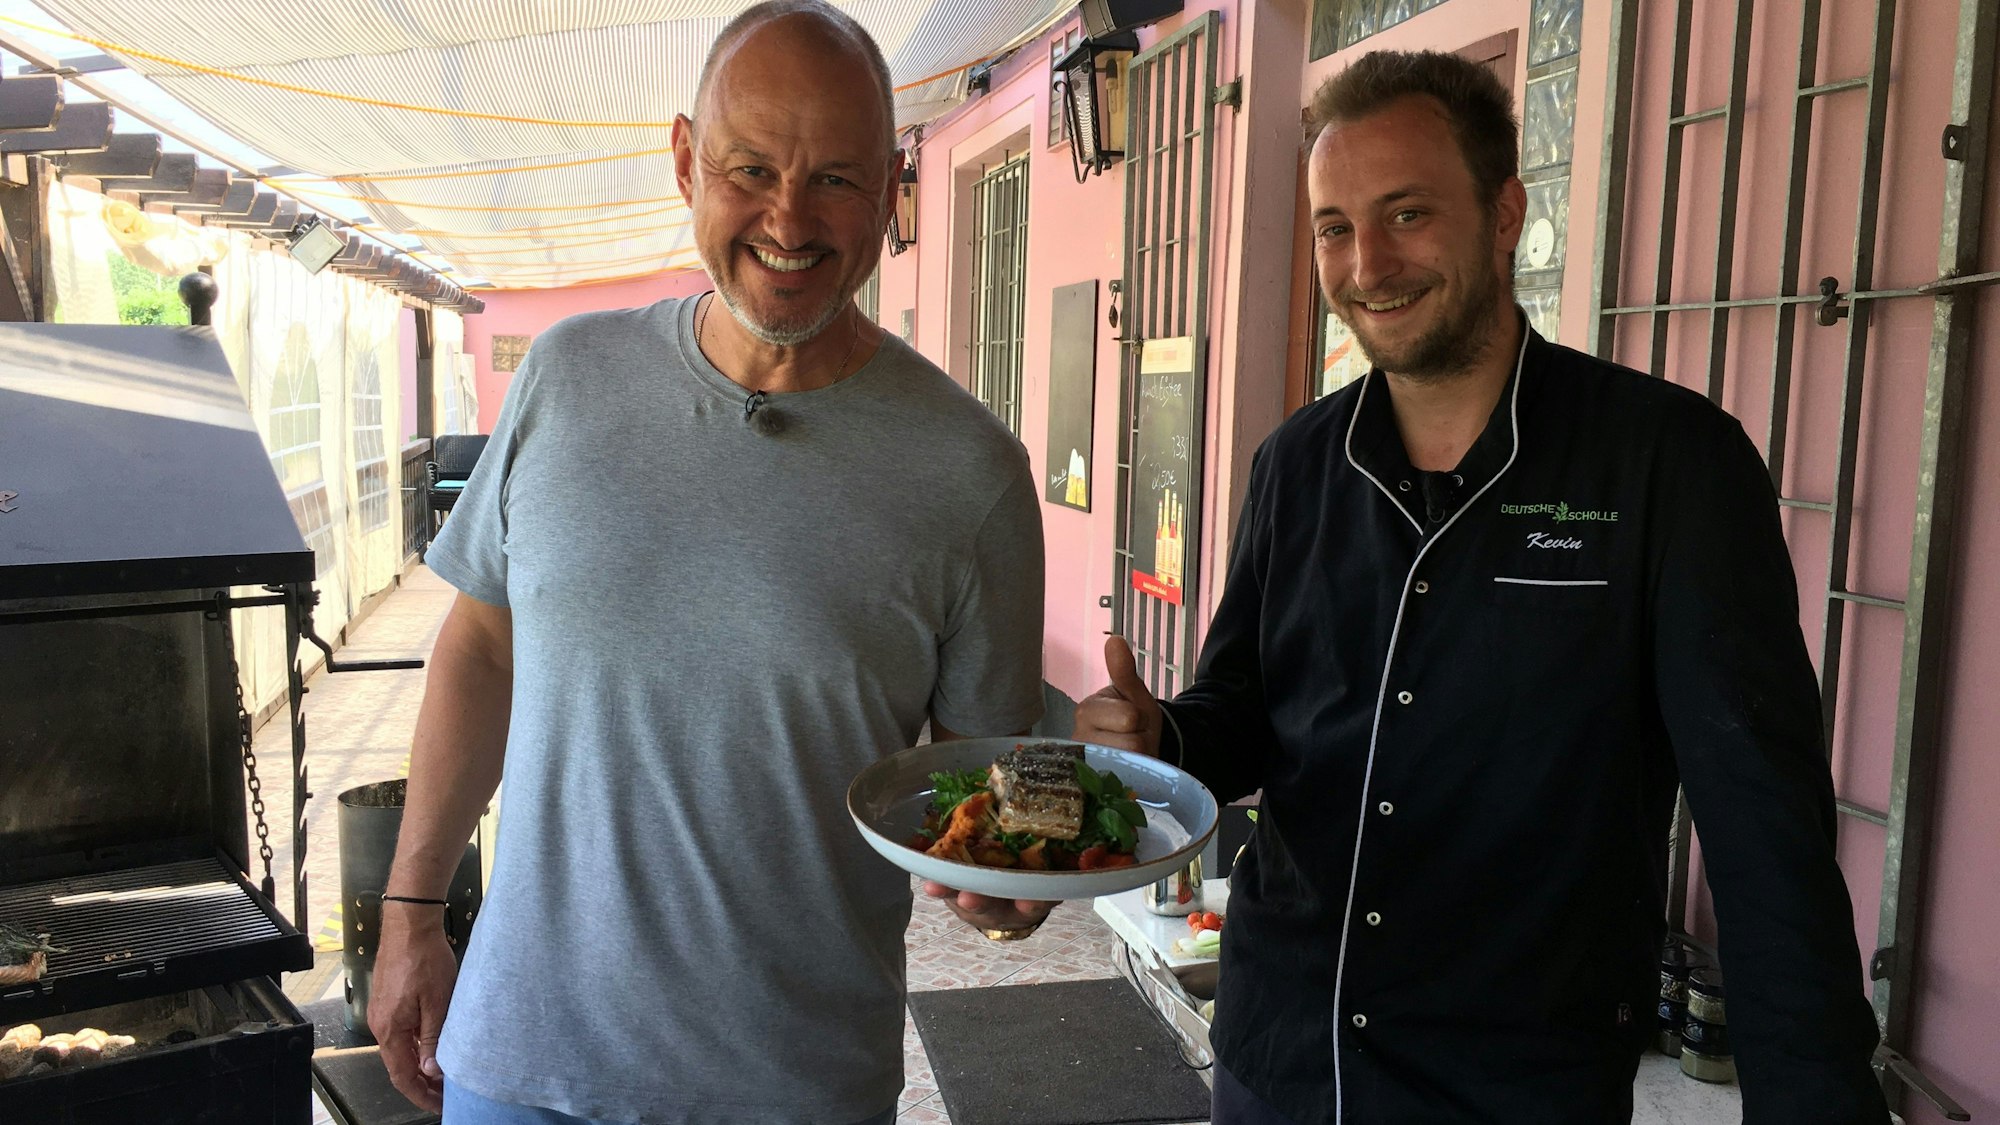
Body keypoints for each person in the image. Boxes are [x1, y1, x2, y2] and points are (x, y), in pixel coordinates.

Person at [1074, 50, 1891, 1125]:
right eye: (1332, 225)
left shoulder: (1665, 464)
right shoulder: (1294, 465)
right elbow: (1247, 715)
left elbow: (1761, 833)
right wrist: (1161, 739)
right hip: (1280, 1059)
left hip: (1515, 1085)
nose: (1365, 263)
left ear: (1502, 212)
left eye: (1405, 213)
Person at [367, 4, 1046, 1122]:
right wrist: (409, 915)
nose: (789, 217)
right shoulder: (566, 378)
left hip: (790, 1084)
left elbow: (982, 796)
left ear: (889, 190)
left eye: (836, 177)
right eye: (749, 167)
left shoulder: (969, 472)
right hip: (521, 1064)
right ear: (685, 160)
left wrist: (1003, 887)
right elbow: (483, 648)